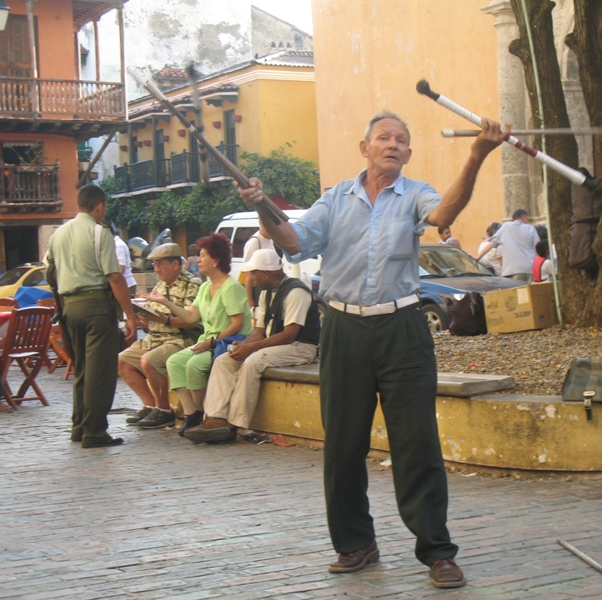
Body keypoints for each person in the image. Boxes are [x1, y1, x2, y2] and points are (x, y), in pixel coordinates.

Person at [238, 109, 509, 589]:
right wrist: (262, 206)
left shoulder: (415, 195)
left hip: (403, 329)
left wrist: (477, 154)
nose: (393, 144)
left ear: (408, 152)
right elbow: (294, 241)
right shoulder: (334, 199)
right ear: (364, 148)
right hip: (342, 328)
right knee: (342, 443)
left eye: (402, 140)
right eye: (384, 137)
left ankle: (437, 551)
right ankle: (355, 542)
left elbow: (444, 214)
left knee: (417, 442)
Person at [184, 248, 320, 443]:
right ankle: (215, 419)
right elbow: (259, 331)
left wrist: (251, 349)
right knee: (224, 360)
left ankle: (238, 424)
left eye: (254, 273)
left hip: (301, 347)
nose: (251, 278)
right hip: (275, 345)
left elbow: (289, 334)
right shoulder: (265, 293)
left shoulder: (296, 292)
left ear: (265, 273)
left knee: (252, 362)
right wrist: (243, 345)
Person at [46, 184, 136, 448]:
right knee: (101, 372)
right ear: (100, 206)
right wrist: (129, 315)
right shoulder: (100, 233)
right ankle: (95, 432)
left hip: (70, 307)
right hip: (97, 305)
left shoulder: (58, 234)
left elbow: (50, 272)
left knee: (82, 369)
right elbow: (115, 277)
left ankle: (79, 426)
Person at [148, 233, 252, 437]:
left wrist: (211, 342)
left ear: (216, 261)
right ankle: (192, 413)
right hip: (207, 341)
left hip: (225, 343)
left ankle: (207, 415)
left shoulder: (231, 287)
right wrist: (165, 303)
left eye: (203, 255)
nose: (198, 260)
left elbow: (237, 324)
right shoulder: (205, 287)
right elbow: (190, 316)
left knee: (194, 366)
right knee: (174, 361)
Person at [118, 243, 202, 430]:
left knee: (149, 361)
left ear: (175, 264)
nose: (156, 270)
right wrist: (144, 315)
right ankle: (151, 405)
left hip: (180, 339)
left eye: (160, 264)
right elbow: (156, 315)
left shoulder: (192, 284)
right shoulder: (160, 286)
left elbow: (193, 320)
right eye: (154, 265)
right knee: (123, 361)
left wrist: (164, 320)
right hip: (156, 338)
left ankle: (164, 410)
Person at [474, 209, 539, 281]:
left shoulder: (506, 226)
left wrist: (478, 257)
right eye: (527, 219)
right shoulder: (531, 228)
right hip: (530, 268)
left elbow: (491, 244)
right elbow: (537, 248)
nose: (527, 222)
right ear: (523, 217)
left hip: (512, 270)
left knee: (516, 291)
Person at [242, 220, 276, 309]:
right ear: (261, 224)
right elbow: (247, 273)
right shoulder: (254, 242)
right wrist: (249, 300)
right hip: (258, 288)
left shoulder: (271, 240)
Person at [112, 225, 137, 297]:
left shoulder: (118, 246)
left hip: (126, 285)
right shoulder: (115, 244)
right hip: (124, 285)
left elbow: (121, 268)